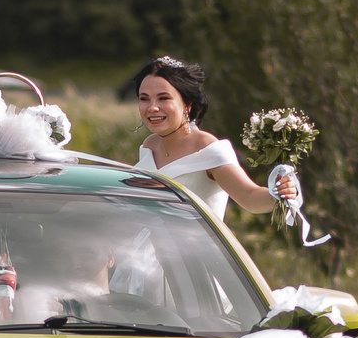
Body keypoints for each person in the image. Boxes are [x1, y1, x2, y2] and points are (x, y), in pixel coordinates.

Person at [121, 56, 297, 217]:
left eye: (163, 98)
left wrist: (278, 193)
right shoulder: (149, 146)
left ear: (187, 104)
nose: (152, 108)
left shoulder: (208, 148)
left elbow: (250, 196)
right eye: (144, 99)